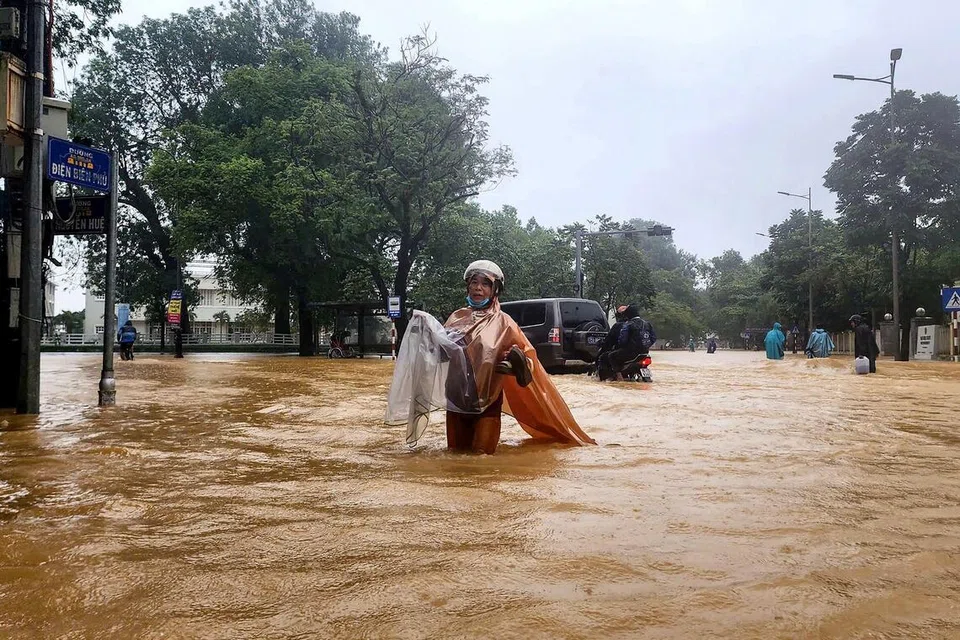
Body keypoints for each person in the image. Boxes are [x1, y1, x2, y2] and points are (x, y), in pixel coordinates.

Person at [385, 260, 596, 454]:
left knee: (481, 458)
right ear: (467, 286)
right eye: (474, 282)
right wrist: (426, 337)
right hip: (456, 399)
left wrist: (516, 362)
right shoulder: (456, 318)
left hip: (487, 401)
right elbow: (441, 357)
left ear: (495, 290)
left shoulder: (505, 323)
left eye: (485, 284)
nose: (478, 288)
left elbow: (530, 363)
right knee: (456, 458)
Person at [596, 304, 656, 381]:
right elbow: (653, 338)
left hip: (630, 353)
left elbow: (622, 340)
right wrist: (646, 345)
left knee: (611, 356)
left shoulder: (628, 324)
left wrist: (624, 346)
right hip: (644, 353)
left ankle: (619, 376)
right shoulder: (647, 324)